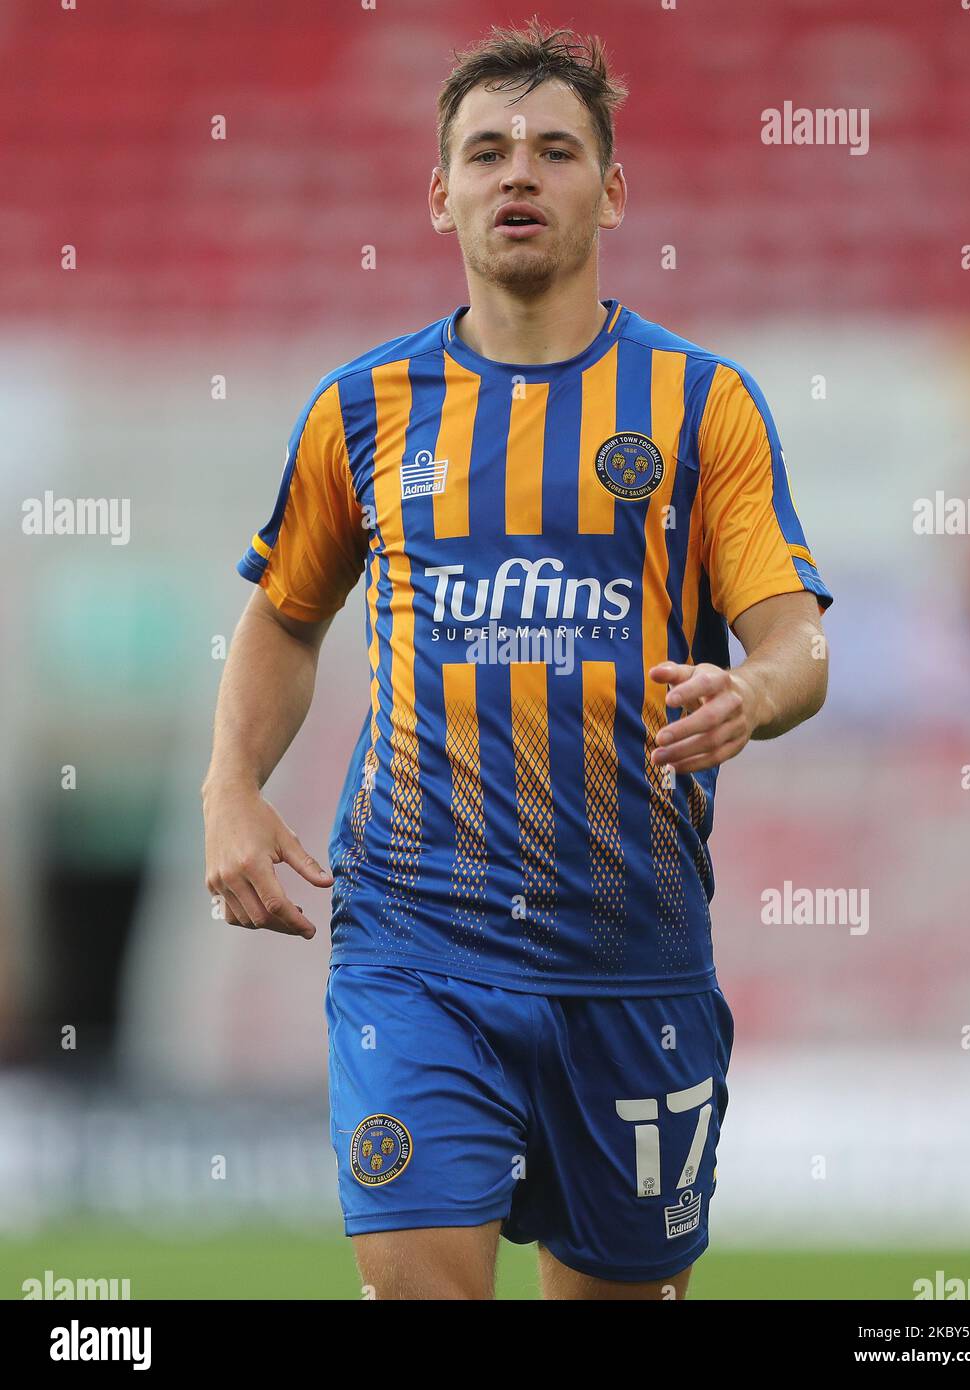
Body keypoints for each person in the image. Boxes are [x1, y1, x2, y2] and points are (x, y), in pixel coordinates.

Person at [202, 19, 833, 1301]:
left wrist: (751, 693)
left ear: (611, 189)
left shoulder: (702, 406)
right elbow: (284, 612)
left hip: (631, 951)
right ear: (439, 193)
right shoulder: (360, 410)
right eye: (486, 152)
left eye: (554, 150)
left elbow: (794, 639)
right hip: (416, 938)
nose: (517, 174)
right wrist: (231, 784)